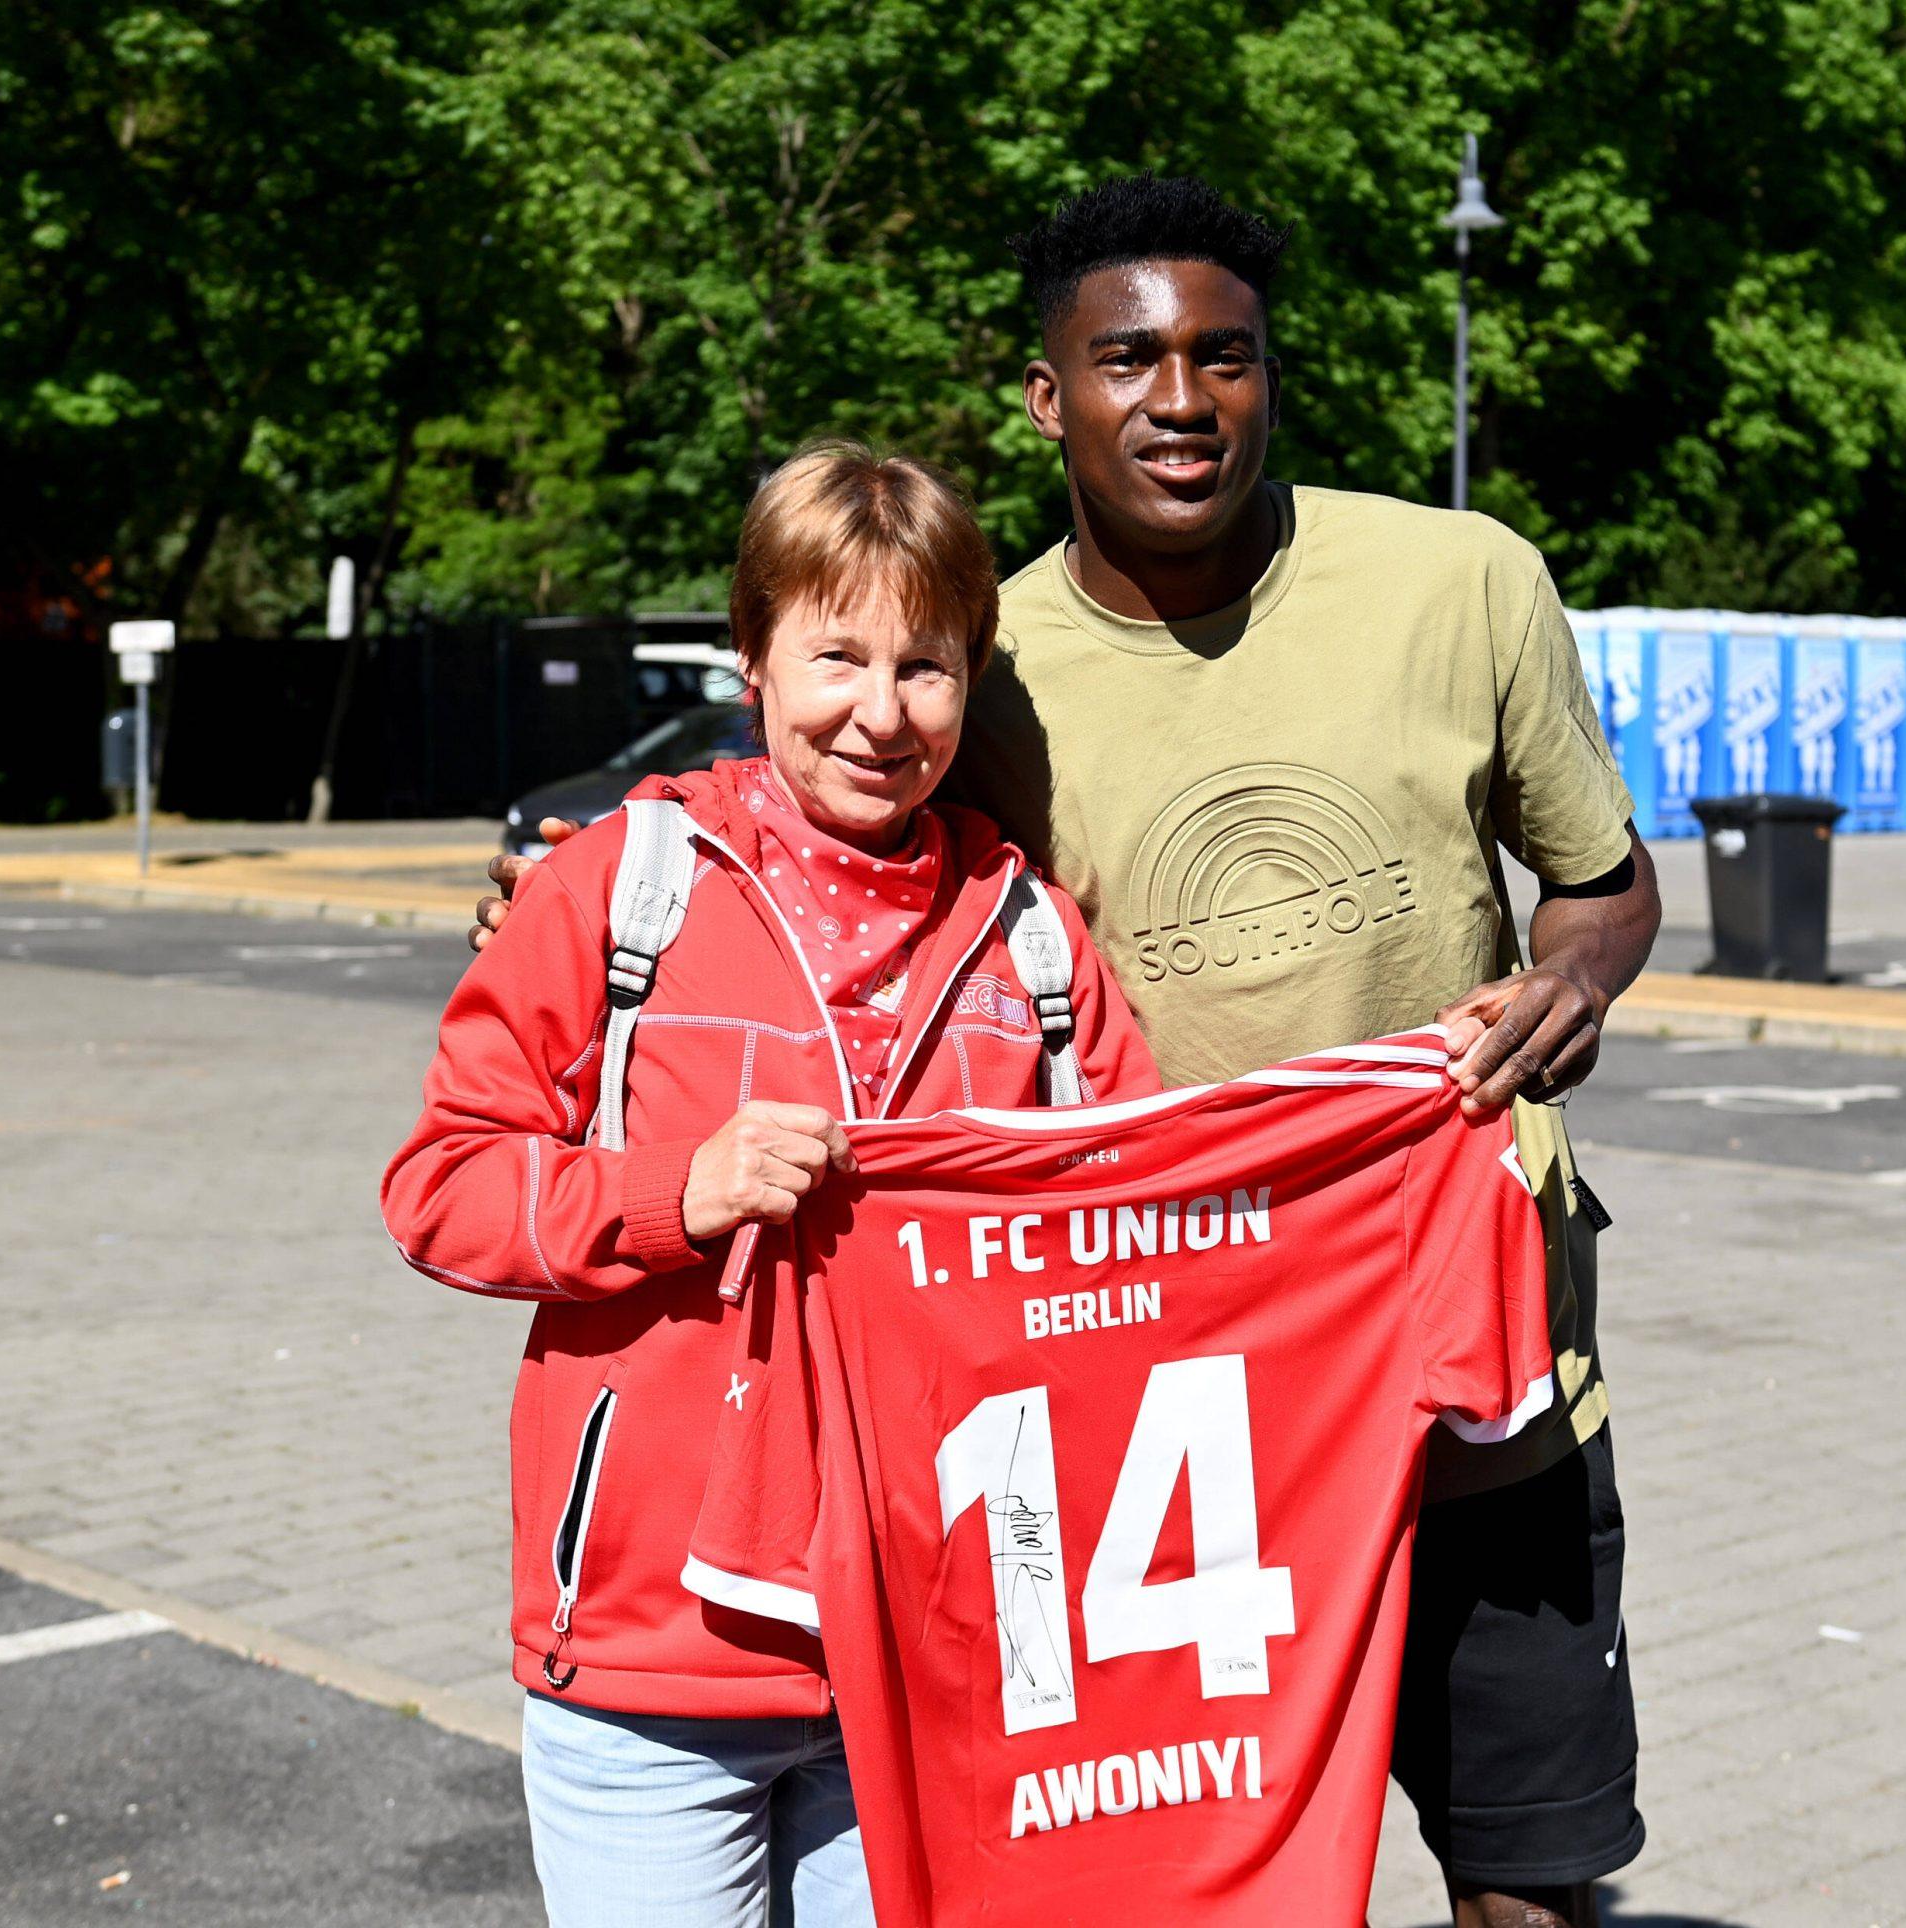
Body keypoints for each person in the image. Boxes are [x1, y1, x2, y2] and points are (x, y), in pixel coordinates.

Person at [481, 177, 1663, 1928]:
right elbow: (830, 809)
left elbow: (1608, 888)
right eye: (1128, 360)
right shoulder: (989, 658)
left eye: (1224, 358)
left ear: (1271, 375)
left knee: (1531, 1879)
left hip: (1466, 1352)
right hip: (1175, 1418)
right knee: (1187, 1869)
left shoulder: (1462, 581)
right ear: (1053, 395)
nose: (1181, 401)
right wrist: (568, 889)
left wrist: (1573, 987)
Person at [388, 441, 1161, 1928]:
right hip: (649, 1666)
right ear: (752, 659)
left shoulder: (1035, 945)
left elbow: (1136, 1240)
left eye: (927, 668)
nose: (882, 713)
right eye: (836, 657)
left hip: (930, 1663)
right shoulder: (620, 887)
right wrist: (673, 1192)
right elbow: (441, 1185)